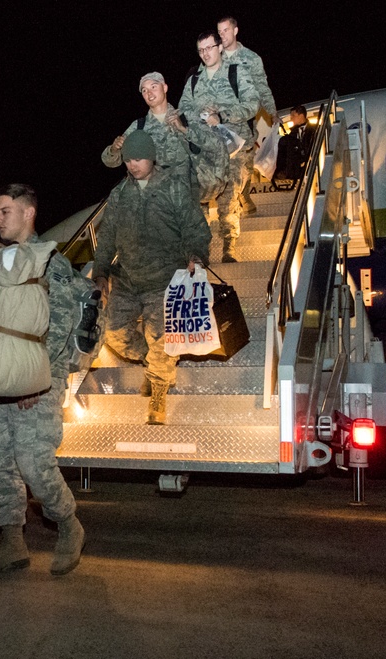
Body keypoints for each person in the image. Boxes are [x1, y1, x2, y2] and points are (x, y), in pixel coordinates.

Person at [0, 184, 84, 577]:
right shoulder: (1, 262)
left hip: (39, 377)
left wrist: (34, 380)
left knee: (33, 461)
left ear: (28, 213)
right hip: (3, 377)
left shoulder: (48, 261)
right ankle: (12, 542)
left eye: (5, 211)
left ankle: (69, 526)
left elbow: (60, 326)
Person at [92, 131, 211, 425]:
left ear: (152, 157)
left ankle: (158, 389)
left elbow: (195, 227)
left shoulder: (173, 187)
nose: (133, 165)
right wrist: (100, 271)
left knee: (161, 339)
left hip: (165, 280)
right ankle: (156, 365)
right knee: (111, 332)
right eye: (129, 159)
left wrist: (196, 255)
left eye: (139, 159)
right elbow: (106, 236)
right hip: (128, 279)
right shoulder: (120, 194)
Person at [179, 30, 260, 262]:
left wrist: (222, 116)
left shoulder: (237, 73)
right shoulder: (194, 79)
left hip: (233, 148)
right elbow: (184, 107)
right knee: (200, 199)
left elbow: (252, 104)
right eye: (201, 50)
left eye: (209, 48)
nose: (205, 53)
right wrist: (195, 118)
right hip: (205, 150)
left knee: (229, 198)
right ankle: (201, 249)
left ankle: (229, 247)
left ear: (220, 47)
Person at [102, 72, 229, 207]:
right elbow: (110, 162)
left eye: (153, 87)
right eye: (144, 91)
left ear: (165, 88)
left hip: (190, 196)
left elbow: (215, 144)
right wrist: (114, 149)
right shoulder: (138, 126)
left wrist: (184, 130)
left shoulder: (188, 117)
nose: (149, 93)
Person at [218, 15, 277, 216]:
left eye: (225, 30)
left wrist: (272, 111)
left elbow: (262, 86)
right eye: (219, 31)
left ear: (235, 31)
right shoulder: (214, 57)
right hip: (221, 121)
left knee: (247, 158)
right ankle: (231, 203)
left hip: (245, 117)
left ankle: (244, 192)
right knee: (228, 162)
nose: (222, 35)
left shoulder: (251, 58)